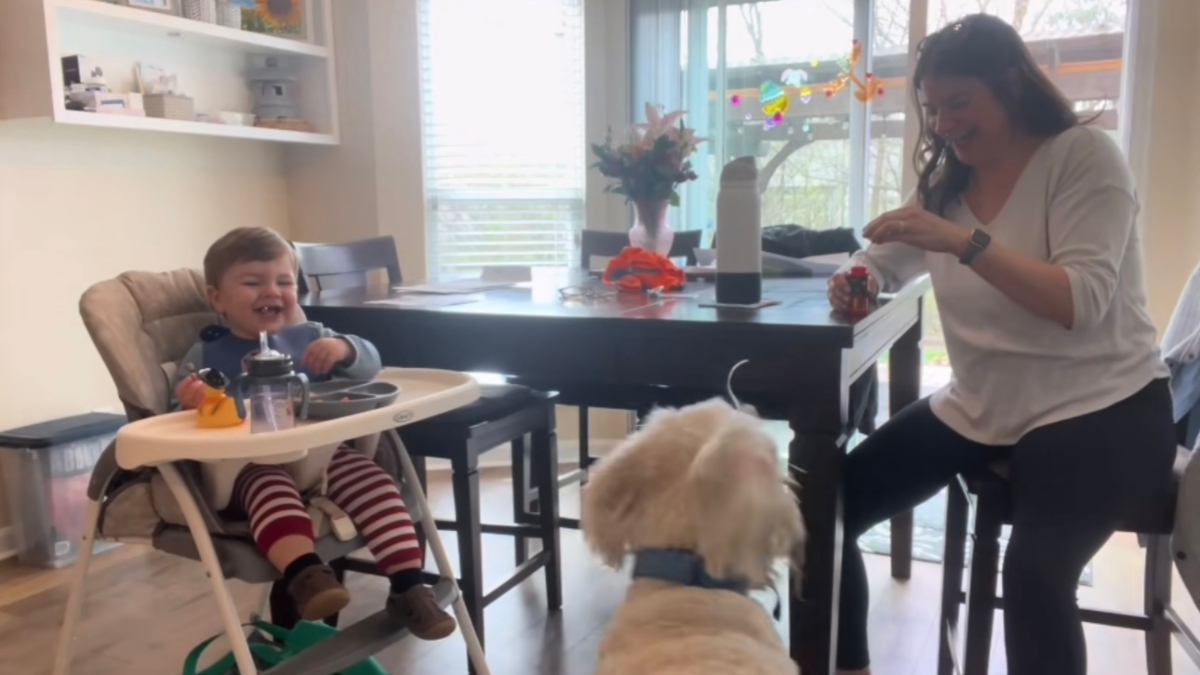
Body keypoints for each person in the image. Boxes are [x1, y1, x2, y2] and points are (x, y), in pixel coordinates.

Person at [826, 14, 1176, 675]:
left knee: (1036, 573)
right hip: (983, 405)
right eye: (935, 110)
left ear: (1011, 86)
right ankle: (847, 666)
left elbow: (1079, 300)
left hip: (1104, 405)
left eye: (960, 103)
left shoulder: (1082, 156)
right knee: (825, 507)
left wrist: (964, 242)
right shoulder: (947, 186)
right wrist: (858, 279)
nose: (945, 124)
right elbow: (884, 260)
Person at [172, 226, 456, 640]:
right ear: (217, 299)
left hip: (322, 458)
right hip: (248, 468)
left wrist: (346, 349)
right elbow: (172, 417)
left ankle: (409, 586)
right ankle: (307, 576)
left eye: (284, 282)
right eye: (252, 283)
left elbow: (370, 367)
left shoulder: (311, 338)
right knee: (270, 490)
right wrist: (190, 398)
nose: (272, 291)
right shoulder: (207, 354)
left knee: (375, 481)